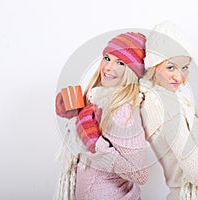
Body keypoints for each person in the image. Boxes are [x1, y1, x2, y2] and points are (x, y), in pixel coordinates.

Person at [140, 21, 198, 200]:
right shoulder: (164, 106)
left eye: (184, 67)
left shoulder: (166, 97)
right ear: (153, 66)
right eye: (170, 67)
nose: (179, 77)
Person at [55, 32, 148, 200]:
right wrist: (75, 115)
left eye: (120, 62)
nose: (108, 67)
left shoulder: (122, 110)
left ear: (132, 71)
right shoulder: (97, 99)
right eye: (107, 58)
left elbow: (139, 173)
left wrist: (96, 144)